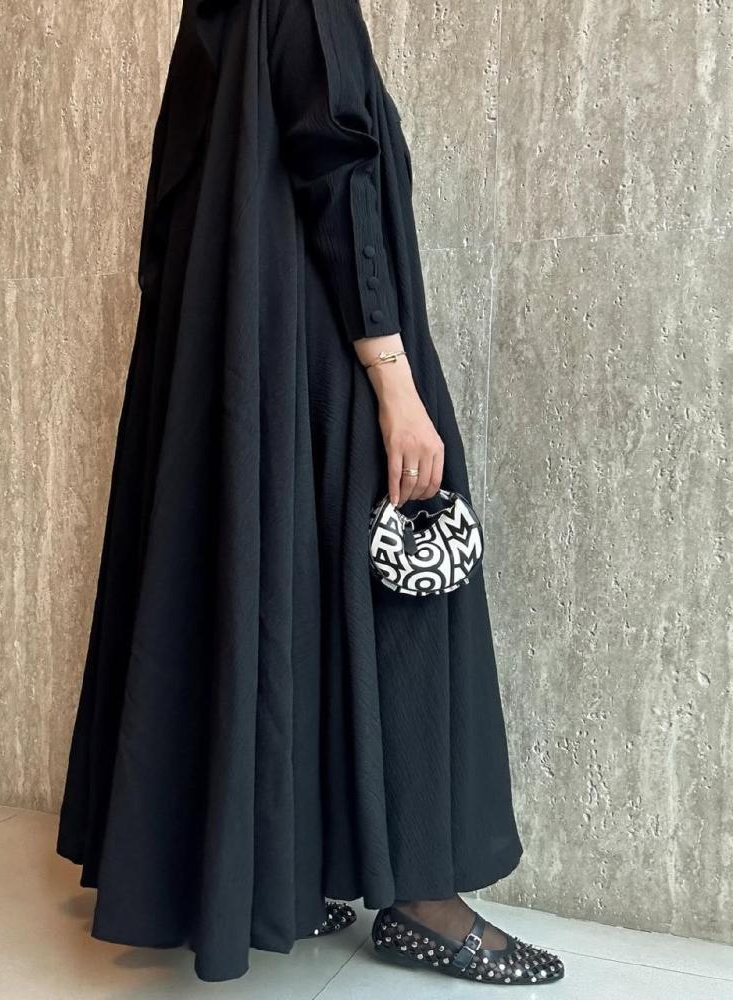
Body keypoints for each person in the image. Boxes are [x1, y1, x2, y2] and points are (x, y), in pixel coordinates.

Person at [56, 0, 565, 986]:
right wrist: (395, 384)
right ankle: (422, 899)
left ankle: (286, 867)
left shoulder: (214, 14)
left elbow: (171, 215)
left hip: (238, 368)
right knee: (403, 601)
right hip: (317, 354)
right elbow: (337, 171)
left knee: (279, 598)